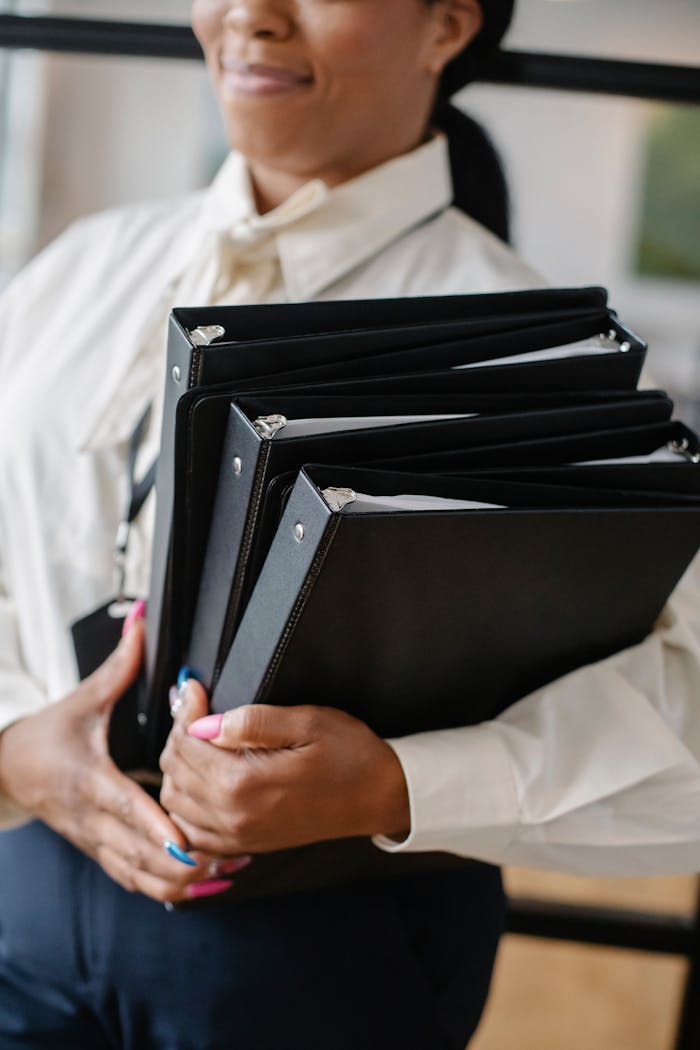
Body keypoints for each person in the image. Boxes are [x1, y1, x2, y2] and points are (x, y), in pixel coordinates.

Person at [0, 1, 699, 1048]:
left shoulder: (544, 367)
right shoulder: (73, 275)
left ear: (446, 25)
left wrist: (394, 784)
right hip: (25, 895)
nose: (249, 15)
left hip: (321, 955)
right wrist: (13, 750)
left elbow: (682, 712)